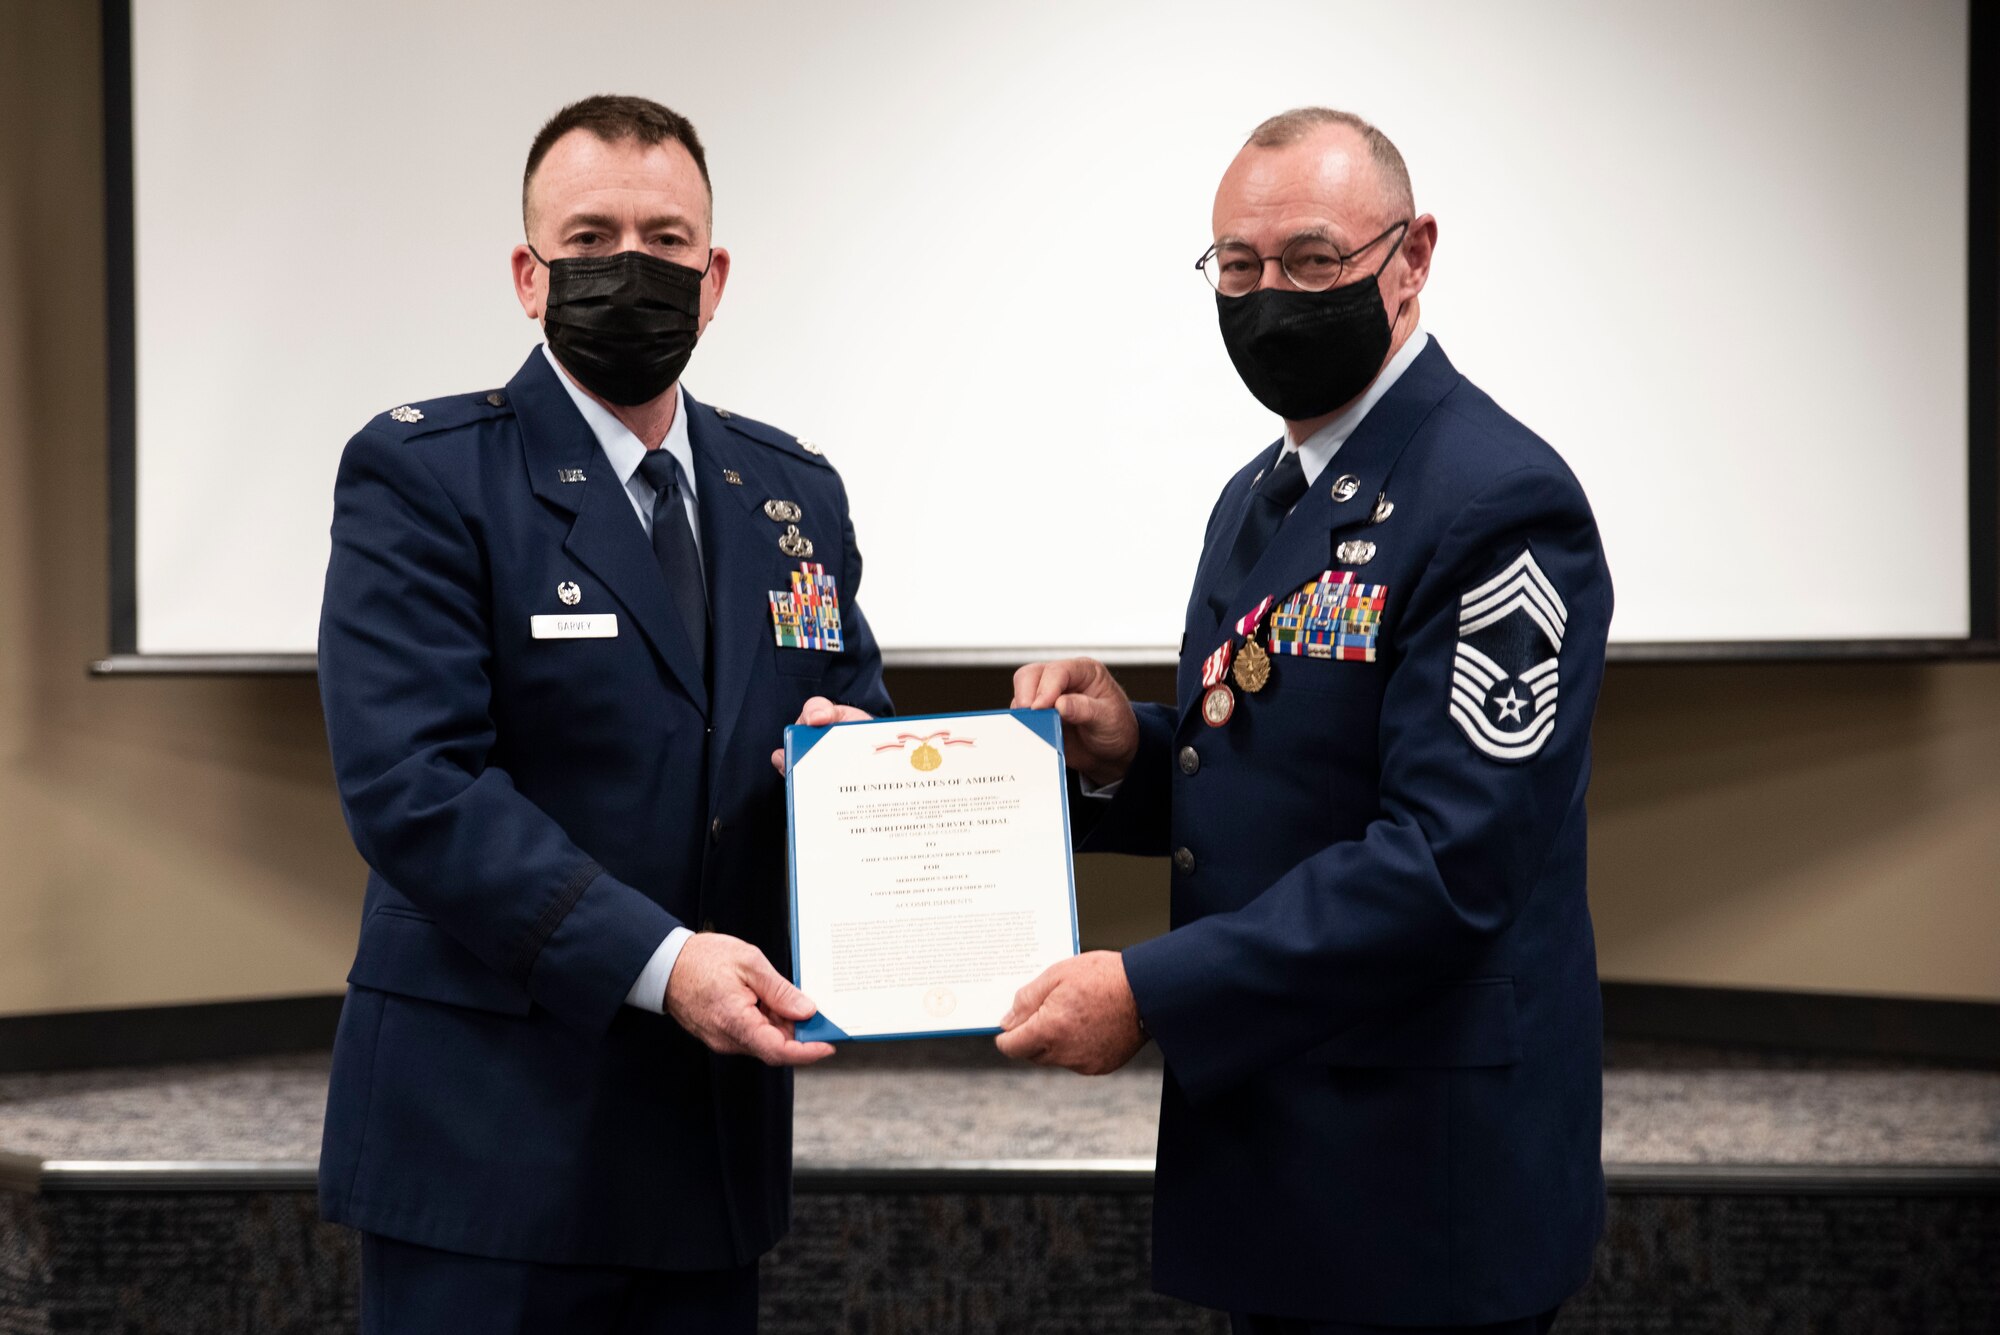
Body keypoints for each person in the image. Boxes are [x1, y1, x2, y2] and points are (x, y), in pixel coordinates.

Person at [999, 108, 1610, 1334]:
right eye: (1238, 264)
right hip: (1281, 1148)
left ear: (1411, 256)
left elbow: (1443, 866)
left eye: (1312, 260)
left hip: (1414, 1181)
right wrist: (1129, 751)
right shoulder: (1262, 490)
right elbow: (1282, 771)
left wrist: (1149, 992)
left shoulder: (1498, 501)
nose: (1268, 294)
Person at [316, 94, 888, 1334]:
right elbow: (415, 788)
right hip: (489, 1149)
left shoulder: (789, 492)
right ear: (528, 276)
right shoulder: (424, 475)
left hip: (709, 1148)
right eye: (589, 239)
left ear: (713, 274)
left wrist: (850, 780)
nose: (630, 268)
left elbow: (848, 709)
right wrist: (663, 962)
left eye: (666, 240)